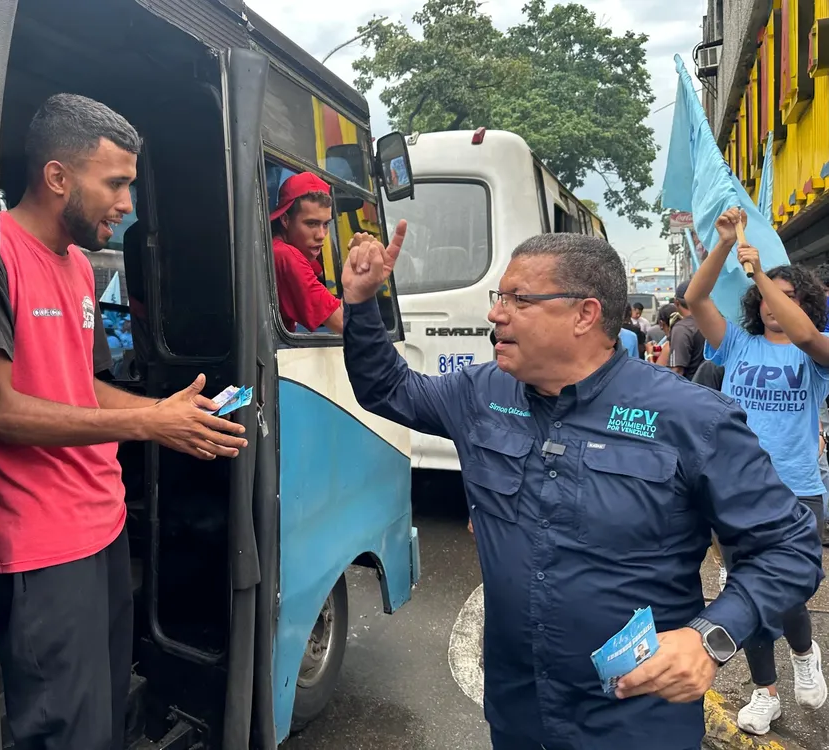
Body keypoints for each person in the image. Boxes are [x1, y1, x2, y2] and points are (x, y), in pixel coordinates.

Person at [339, 226, 823, 750]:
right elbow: (386, 388)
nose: (496, 314)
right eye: (499, 298)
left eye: (518, 299)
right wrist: (362, 303)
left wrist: (710, 637)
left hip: (634, 721)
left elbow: (788, 546)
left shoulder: (691, 418)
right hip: (517, 710)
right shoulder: (480, 393)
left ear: (584, 315)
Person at [0, 93, 249, 750]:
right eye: (116, 183)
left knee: (103, 721)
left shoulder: (78, 266)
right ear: (57, 177)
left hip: (102, 527)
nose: (129, 204)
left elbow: (85, 387)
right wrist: (148, 425)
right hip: (42, 547)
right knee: (62, 730)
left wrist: (164, 414)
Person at [685, 207, 829, 735]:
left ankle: (805, 653)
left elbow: (811, 338)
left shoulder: (815, 355)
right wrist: (724, 244)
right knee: (748, 593)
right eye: (769, 298)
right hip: (737, 492)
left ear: (804, 305)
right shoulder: (738, 345)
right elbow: (695, 299)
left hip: (797, 491)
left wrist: (763, 275)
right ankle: (766, 692)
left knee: (788, 590)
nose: (774, 305)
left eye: (790, 298)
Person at [271, 171, 343, 334]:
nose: (321, 235)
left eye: (325, 224)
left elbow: (319, 272)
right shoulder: (288, 256)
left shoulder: (277, 248)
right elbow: (344, 324)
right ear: (285, 220)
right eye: (311, 224)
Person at [668, 280, 705, 380]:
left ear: (676, 302)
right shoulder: (715, 324)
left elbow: (677, 371)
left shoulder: (682, 328)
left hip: (691, 389)